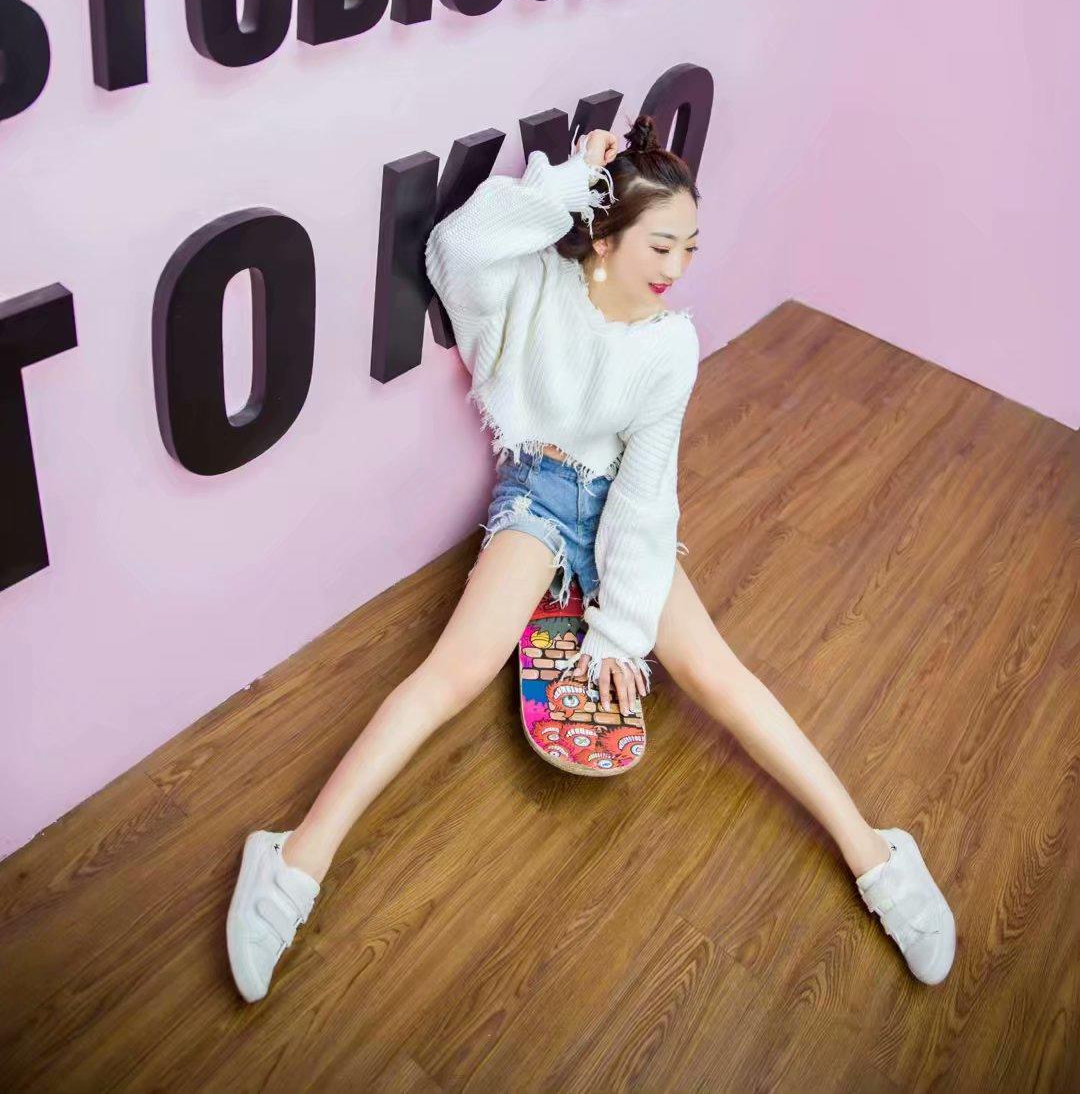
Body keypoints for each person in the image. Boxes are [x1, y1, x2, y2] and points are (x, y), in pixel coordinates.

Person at [226, 114, 956, 1003]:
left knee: (718, 676)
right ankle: (290, 865)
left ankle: (880, 859)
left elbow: (646, 498)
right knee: (454, 673)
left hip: (616, 509)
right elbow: (455, 249)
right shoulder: (530, 286)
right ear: (605, 238)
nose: (677, 267)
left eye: (690, 247)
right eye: (661, 244)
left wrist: (618, 634)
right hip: (535, 496)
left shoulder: (670, 345)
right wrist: (570, 181)